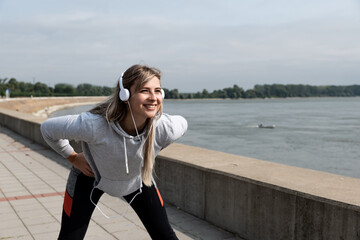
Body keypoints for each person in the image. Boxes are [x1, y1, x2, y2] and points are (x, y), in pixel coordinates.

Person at [40, 64, 188, 240]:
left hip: (138, 181)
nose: (153, 98)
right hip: (90, 178)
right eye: (144, 91)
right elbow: (47, 129)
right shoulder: (94, 125)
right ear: (125, 95)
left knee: (166, 236)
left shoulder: (165, 128)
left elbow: (183, 124)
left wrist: (153, 149)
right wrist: (72, 157)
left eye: (157, 91)